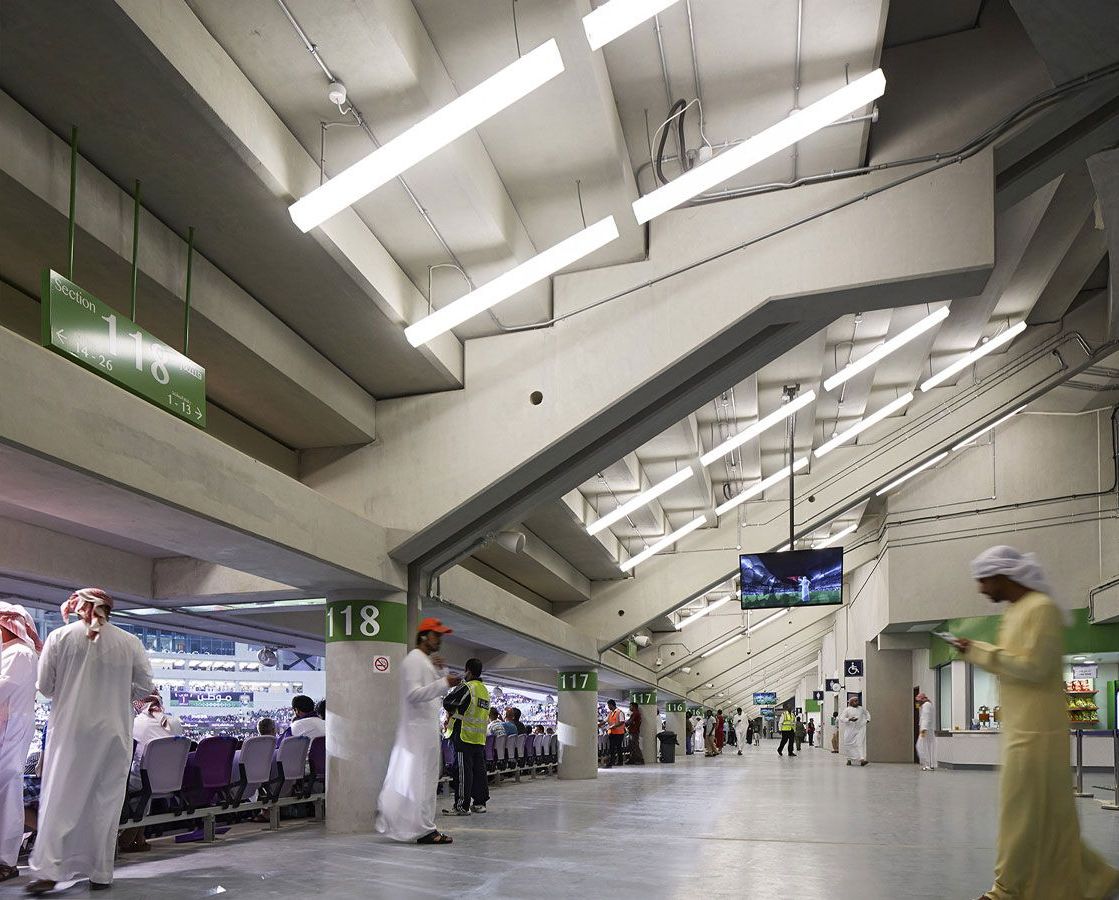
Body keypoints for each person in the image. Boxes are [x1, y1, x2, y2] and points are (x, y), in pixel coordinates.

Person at [955, 546, 1119, 900]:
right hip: (1023, 728)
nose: (981, 589)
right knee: (1052, 820)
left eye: (984, 580)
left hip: (1037, 733)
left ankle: (1005, 891)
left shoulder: (1041, 609)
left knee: (1020, 814)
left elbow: (1035, 667)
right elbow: (1014, 666)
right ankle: (1097, 879)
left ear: (1003, 575)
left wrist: (979, 651)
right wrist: (980, 652)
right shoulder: (1015, 611)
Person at [27, 588, 153, 895]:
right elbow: (144, 687)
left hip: (70, 733)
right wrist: (117, 692)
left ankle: (49, 871)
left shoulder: (59, 638)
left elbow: (45, 687)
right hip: (114, 734)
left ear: (78, 607)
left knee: (60, 800)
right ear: (108, 610)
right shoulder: (129, 642)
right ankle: (100, 872)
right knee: (106, 802)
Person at [375, 618, 460, 845]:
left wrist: (441, 674)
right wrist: (443, 682)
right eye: (436, 635)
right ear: (424, 636)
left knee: (425, 780)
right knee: (421, 781)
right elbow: (413, 694)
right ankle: (423, 829)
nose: (439, 640)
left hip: (425, 729)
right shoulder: (414, 660)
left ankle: (421, 826)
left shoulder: (423, 661)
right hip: (417, 731)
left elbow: (433, 694)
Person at [0, 604, 39, 882]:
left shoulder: (19, 653)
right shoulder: (10, 653)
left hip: (10, 731)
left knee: (6, 792)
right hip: (8, 728)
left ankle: (5, 860)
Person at [119, 691, 184, 853]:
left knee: (129, 779)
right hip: (172, 782)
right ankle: (139, 838)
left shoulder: (134, 724)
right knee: (144, 776)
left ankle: (126, 838)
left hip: (144, 782)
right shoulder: (175, 723)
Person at [442, 658, 489, 816]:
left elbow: (448, 702)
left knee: (463, 772)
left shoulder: (468, 687)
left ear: (467, 670)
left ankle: (461, 806)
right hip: (479, 737)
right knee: (479, 771)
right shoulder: (484, 690)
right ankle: (480, 803)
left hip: (464, 736)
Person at [839, 696, 870, 766]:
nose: (857, 702)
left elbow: (867, 713)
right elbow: (842, 718)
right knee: (848, 744)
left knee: (859, 743)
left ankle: (862, 759)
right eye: (855, 701)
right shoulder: (847, 710)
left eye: (857, 700)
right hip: (850, 730)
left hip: (860, 729)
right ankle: (849, 759)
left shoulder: (861, 709)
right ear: (851, 702)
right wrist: (849, 719)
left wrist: (868, 720)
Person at [915, 692, 936, 771]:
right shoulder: (926, 705)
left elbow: (926, 718)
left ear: (922, 699)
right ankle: (929, 764)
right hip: (926, 729)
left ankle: (928, 764)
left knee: (922, 746)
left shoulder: (926, 705)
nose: (918, 703)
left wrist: (923, 730)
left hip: (925, 730)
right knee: (926, 746)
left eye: (918, 701)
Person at [603, 700, 625, 768]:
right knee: (611, 747)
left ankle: (620, 761)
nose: (608, 707)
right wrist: (599, 724)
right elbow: (605, 720)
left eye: (608, 705)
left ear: (611, 705)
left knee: (618, 747)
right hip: (612, 733)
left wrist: (613, 726)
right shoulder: (610, 713)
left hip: (619, 733)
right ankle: (612, 762)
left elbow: (621, 722)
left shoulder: (619, 712)